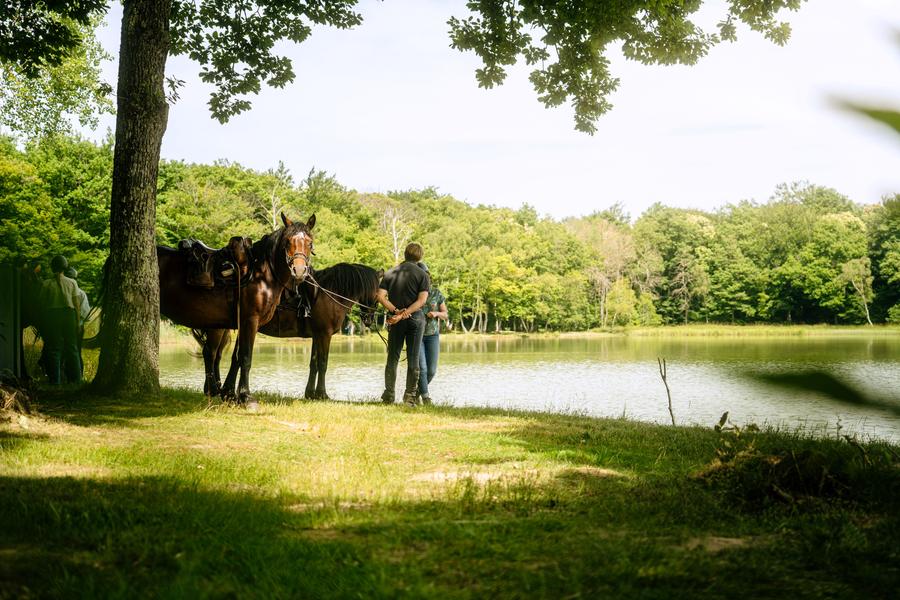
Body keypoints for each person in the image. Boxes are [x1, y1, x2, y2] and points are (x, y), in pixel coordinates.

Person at [376, 242, 430, 406]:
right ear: (419, 256)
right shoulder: (423, 275)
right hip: (415, 320)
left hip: (395, 320)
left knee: (392, 358)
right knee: (413, 359)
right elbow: (421, 301)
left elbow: (380, 296)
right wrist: (405, 314)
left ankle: (389, 395)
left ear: (405, 254)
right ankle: (410, 397)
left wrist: (396, 312)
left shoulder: (390, 272)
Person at [40, 255, 83, 385]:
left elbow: (42, 303)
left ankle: (55, 381)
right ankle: (77, 380)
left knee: (54, 348)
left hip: (53, 315)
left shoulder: (46, 283)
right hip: (69, 315)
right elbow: (76, 305)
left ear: (52, 267)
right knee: (72, 348)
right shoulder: (72, 282)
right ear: (65, 267)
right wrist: (78, 322)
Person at [416, 262, 448, 406]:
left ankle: (415, 394)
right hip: (417, 335)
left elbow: (445, 314)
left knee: (431, 371)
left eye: (426, 276)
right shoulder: (413, 293)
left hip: (433, 335)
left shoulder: (436, 293)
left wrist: (436, 313)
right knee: (422, 369)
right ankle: (426, 397)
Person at [65, 266, 91, 377]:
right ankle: (77, 376)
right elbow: (86, 315)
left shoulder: (60, 291)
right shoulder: (81, 293)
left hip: (62, 327)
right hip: (77, 327)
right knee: (76, 351)